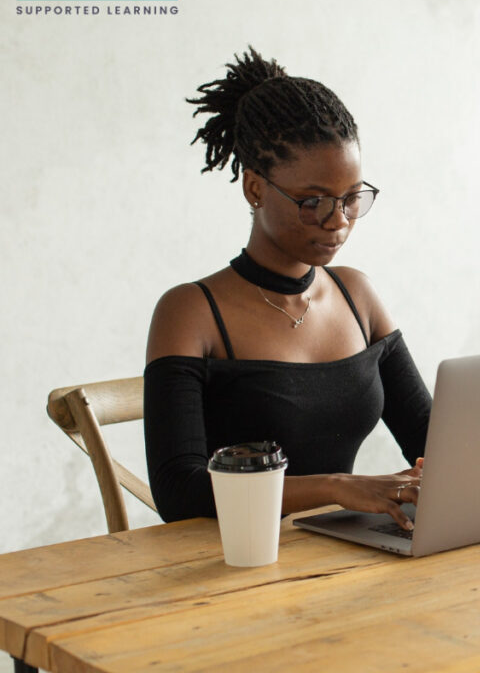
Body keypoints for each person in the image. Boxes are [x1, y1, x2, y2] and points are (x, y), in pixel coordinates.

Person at [144, 47, 429, 531]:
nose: (337, 220)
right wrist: (337, 487)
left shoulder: (357, 296)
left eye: (352, 198)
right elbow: (181, 492)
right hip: (235, 566)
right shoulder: (192, 312)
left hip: (343, 555)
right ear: (254, 189)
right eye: (311, 200)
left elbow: (435, 443)